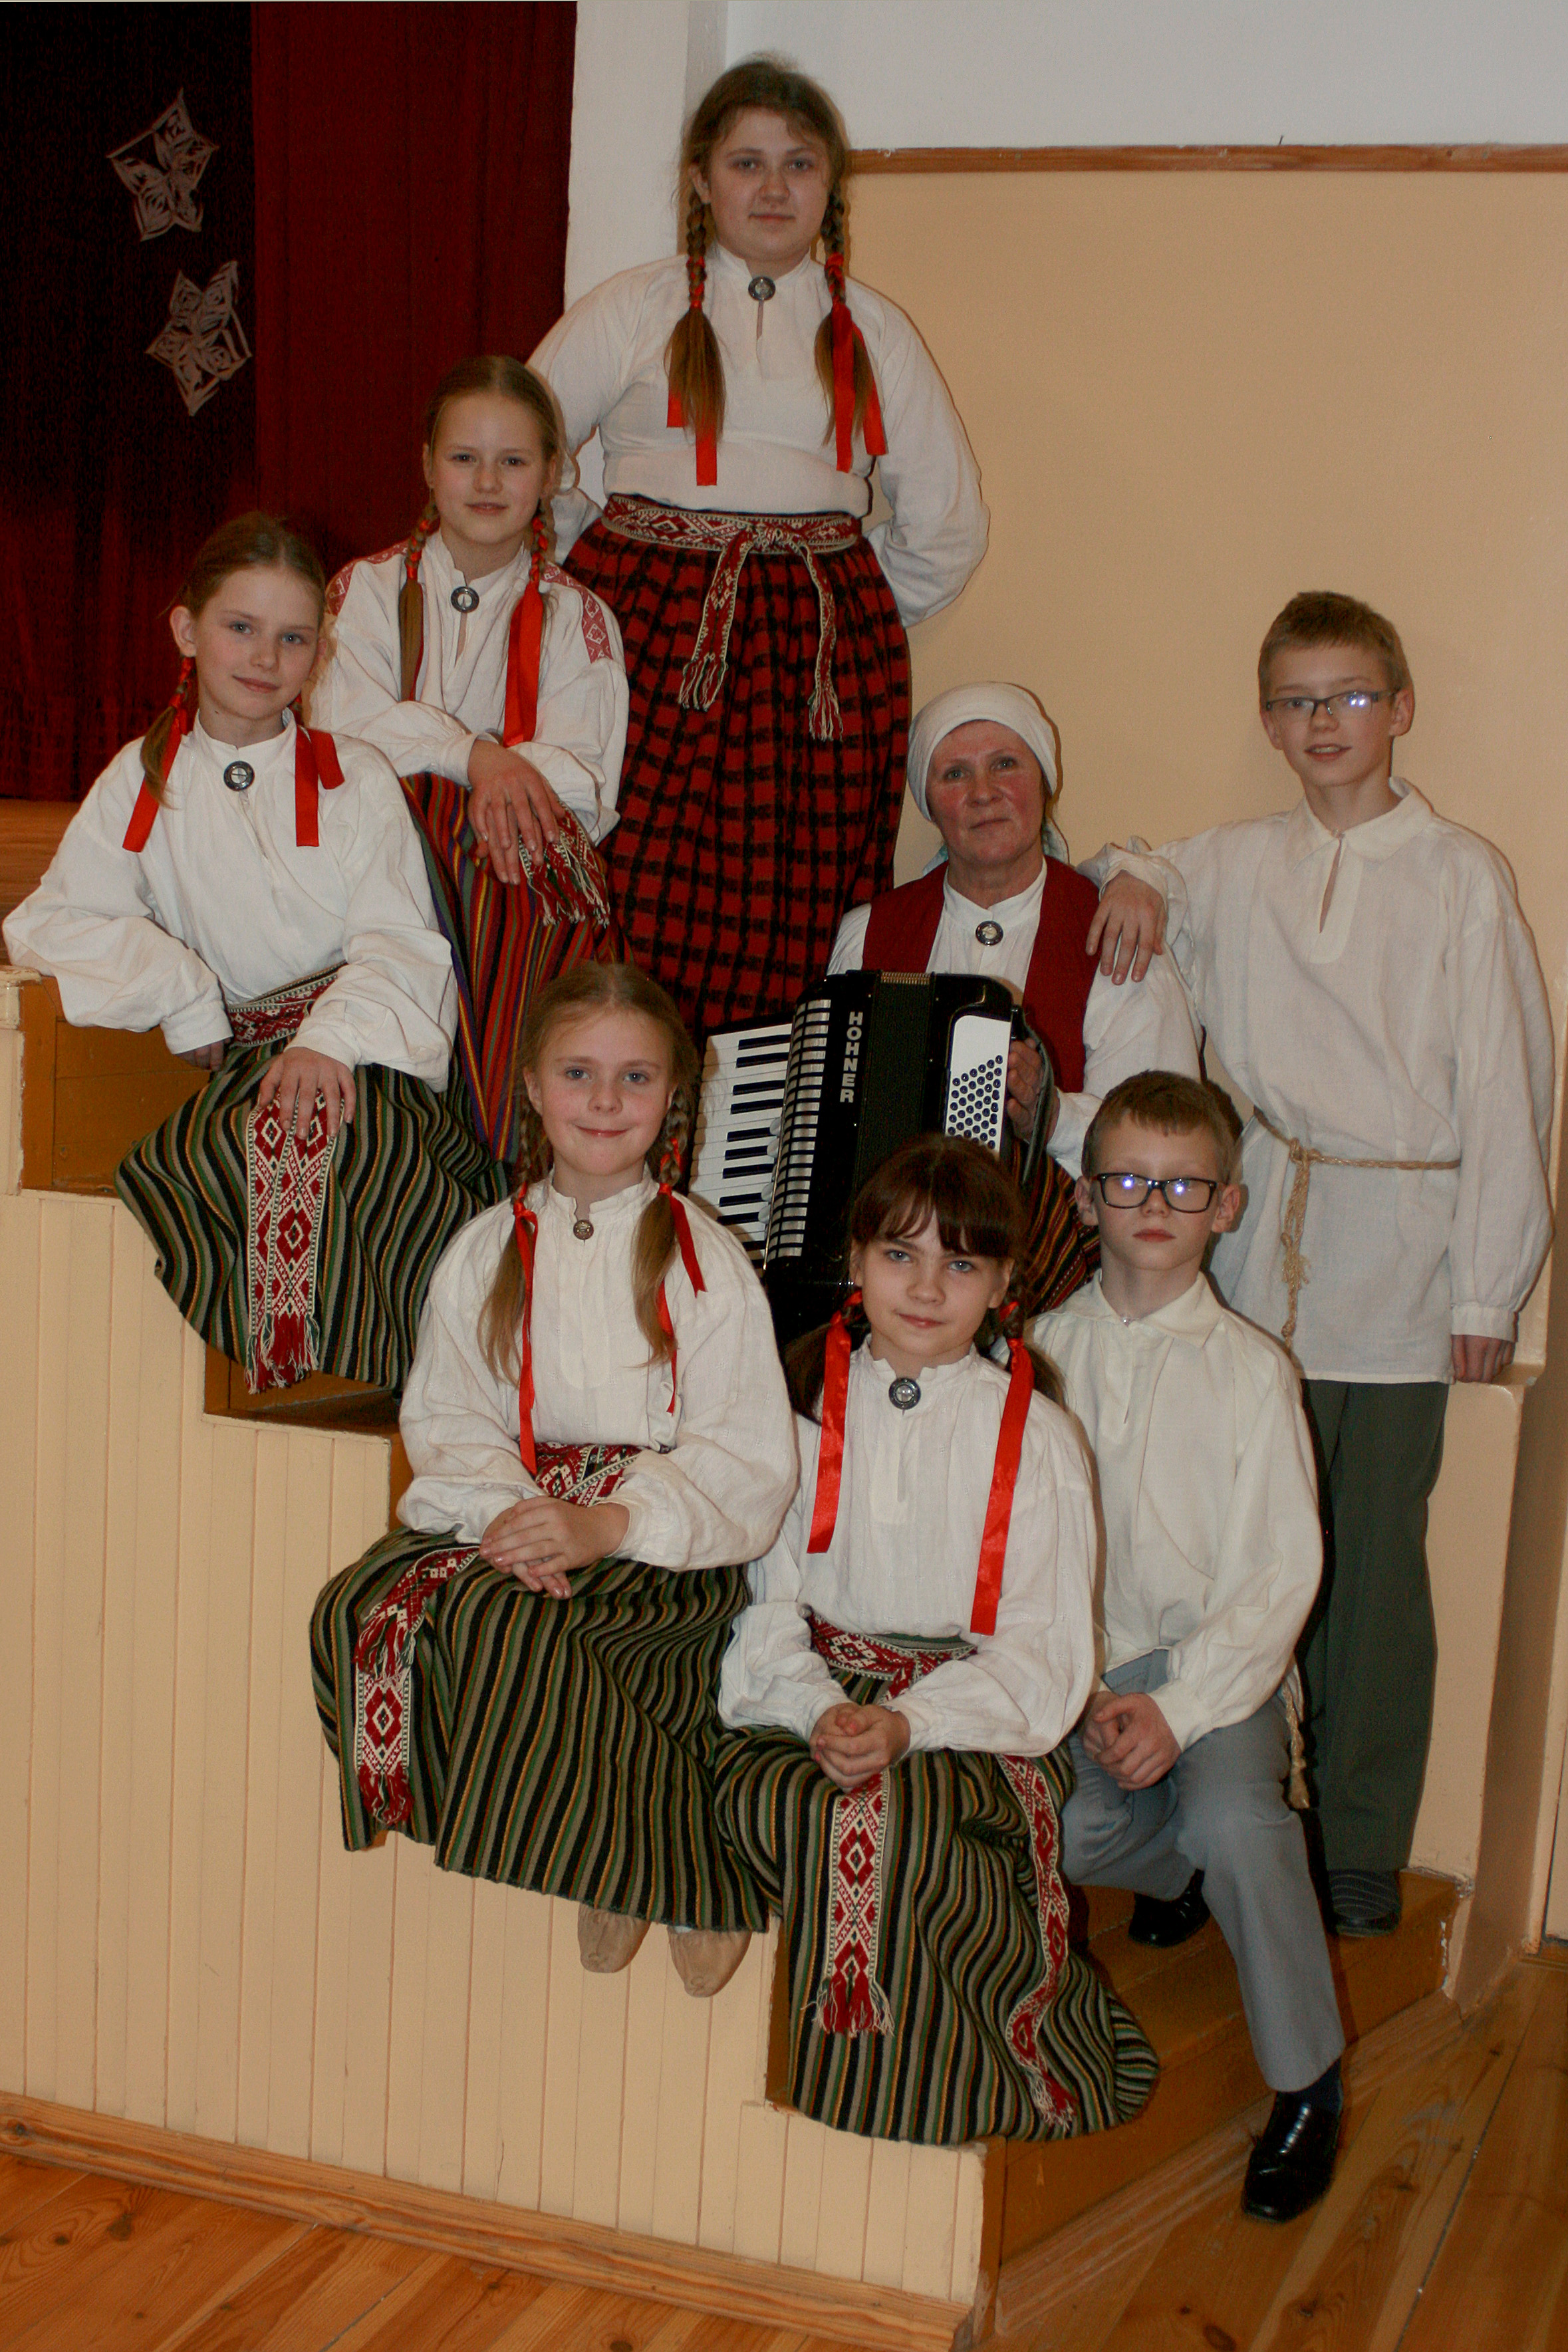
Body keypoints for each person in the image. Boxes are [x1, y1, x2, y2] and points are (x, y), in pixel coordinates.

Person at [1091, 592, 1555, 1936]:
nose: (1322, 723)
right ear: (1266, 721)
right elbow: (1144, 869)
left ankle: (1352, 1834)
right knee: (1212, 1542)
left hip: (1398, 1258)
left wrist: (1487, 1282)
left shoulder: (1457, 873)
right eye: (1295, 702)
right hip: (1253, 1243)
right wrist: (1134, 876)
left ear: (1399, 707)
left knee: (1364, 1563)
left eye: (1347, 695)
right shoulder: (1237, 861)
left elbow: (1508, 1085)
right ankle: (1201, 1824)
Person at [311, 962, 797, 1996]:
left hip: (663, 1539)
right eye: (579, 1073)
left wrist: (611, 1523)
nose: (605, 1101)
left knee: (527, 1628)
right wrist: (512, 1515)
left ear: (674, 1093)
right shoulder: (484, 1248)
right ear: (531, 1085)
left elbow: (745, 1456)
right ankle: (601, 1838)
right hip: (522, 1509)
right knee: (361, 1607)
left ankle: (665, 1870)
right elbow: (448, 1418)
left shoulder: (705, 1261)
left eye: (635, 1077)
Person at [531, 57, 988, 1040]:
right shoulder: (633, 308)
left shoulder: (875, 331)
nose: (774, 188)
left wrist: (841, 606)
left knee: (796, 911)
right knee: (630, 887)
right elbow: (518, 451)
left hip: (815, 670)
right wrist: (588, 584)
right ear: (702, 180)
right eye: (747, 163)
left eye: (799, 163)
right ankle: (616, 1111)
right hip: (647, 645)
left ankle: (762, 1129)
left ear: (830, 184)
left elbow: (946, 526)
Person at [714, 1134, 1157, 2144]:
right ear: (856, 1261)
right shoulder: (794, 1410)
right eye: (899, 1255)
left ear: (1003, 1284)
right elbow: (765, 1603)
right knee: (782, 1800)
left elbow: (1042, 1653)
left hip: (971, 1720)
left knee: (902, 1822)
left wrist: (908, 1724)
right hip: (808, 1692)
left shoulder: (1038, 1437)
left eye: (960, 1263)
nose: (924, 1287)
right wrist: (818, 1707)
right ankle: (784, 2101)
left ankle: (914, 2103)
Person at [3, 512, 503, 1394]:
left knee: (358, 1155)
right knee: (195, 1161)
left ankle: (389, 1378)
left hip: (364, 1058)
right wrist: (182, 989)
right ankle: (297, 1383)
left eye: (293, 638)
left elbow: (399, 941)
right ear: (186, 629)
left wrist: (329, 1041)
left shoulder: (353, 775)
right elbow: (50, 920)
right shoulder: (142, 780)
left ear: (320, 652)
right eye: (241, 627)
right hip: (245, 1061)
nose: (265, 657)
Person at [1036, 1071, 1344, 2220]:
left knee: (1234, 1818)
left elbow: (1277, 1575)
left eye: (1183, 1184)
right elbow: (1023, 1552)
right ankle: (1186, 1874)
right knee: (1063, 1830)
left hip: (1221, 1671)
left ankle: (1306, 2081)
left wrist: (1180, 1707)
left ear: (1226, 1205)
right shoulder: (1036, 1353)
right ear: (1084, 1198)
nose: (1153, 1204)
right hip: (1082, 1667)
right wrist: (1080, 1687)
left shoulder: (1253, 1371)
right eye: (1126, 1181)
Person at [311, 356, 629, 1156]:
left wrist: (487, 777)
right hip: (372, 858)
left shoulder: (578, 616)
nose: (487, 482)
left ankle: (501, 1144)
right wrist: (476, 757)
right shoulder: (364, 591)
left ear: (551, 473)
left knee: (501, 837)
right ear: (427, 465)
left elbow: (581, 784)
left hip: (510, 883)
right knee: (432, 820)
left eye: (513, 461)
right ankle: (398, 1130)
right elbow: (342, 737)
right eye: (464, 458)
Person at [828, 682, 1200, 1312]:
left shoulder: (1112, 930)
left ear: (1045, 781)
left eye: (1005, 764)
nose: (983, 792)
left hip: (1061, 1289)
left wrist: (1051, 1119)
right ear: (929, 804)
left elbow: (1169, 1140)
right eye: (954, 774)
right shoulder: (869, 933)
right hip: (888, 1291)